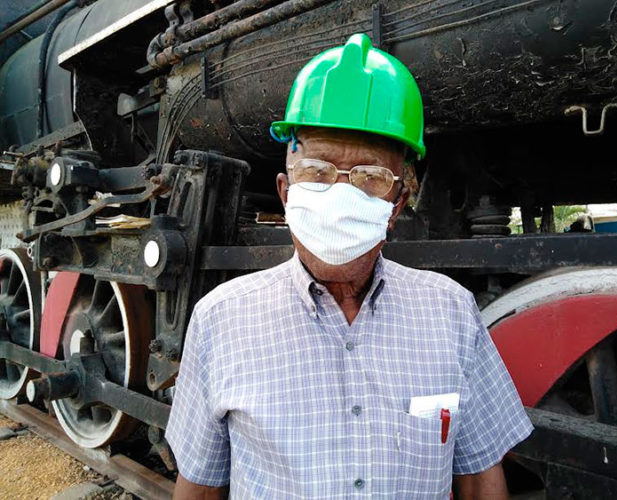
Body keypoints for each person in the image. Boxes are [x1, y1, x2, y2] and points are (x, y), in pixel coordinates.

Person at [166, 33, 533, 499]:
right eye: (317, 171)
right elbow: (198, 490)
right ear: (285, 192)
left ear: (396, 206)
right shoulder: (220, 319)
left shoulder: (452, 313)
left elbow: (481, 483)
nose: (340, 195)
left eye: (370, 177)